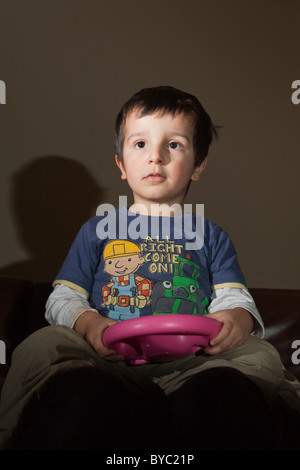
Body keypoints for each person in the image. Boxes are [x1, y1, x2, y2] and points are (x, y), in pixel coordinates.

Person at [0, 86, 300, 450]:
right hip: (103, 360)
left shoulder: (211, 235)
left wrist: (237, 320)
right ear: (122, 165)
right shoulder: (98, 229)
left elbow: (233, 296)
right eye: (140, 144)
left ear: (199, 165)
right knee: (43, 345)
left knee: (261, 355)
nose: (155, 156)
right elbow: (63, 296)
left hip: (192, 364)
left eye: (173, 145)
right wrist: (91, 325)